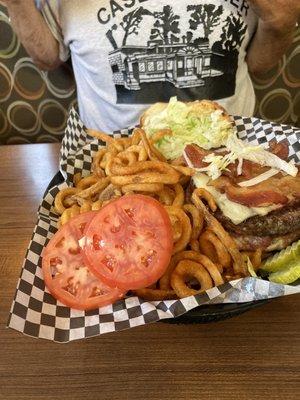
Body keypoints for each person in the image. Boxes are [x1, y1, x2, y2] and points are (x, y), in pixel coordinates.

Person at [2, 0, 299, 133]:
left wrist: (281, 21)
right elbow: (48, 57)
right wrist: (17, 4)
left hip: (232, 148)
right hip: (108, 160)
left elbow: (258, 64)